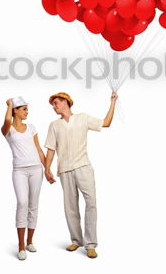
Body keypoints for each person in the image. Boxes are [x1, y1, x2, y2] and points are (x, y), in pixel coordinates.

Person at [44, 91, 118, 259]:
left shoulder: (83, 118)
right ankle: (76, 240)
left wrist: (112, 102)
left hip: (83, 166)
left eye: (56, 103)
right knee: (70, 207)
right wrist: (47, 169)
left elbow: (105, 123)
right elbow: (50, 148)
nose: (54, 107)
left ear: (65, 102)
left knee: (91, 202)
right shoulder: (54, 125)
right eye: (53, 105)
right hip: (65, 169)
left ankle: (90, 244)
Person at [1, 96, 52, 260]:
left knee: (33, 204)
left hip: (36, 169)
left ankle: (30, 241)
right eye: (24, 109)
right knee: (22, 202)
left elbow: (38, 149)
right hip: (19, 170)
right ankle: (21, 245)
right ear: (15, 110)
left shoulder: (32, 127)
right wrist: (9, 105)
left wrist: (48, 169)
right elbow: (8, 119)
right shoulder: (8, 129)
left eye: (27, 109)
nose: (27, 112)